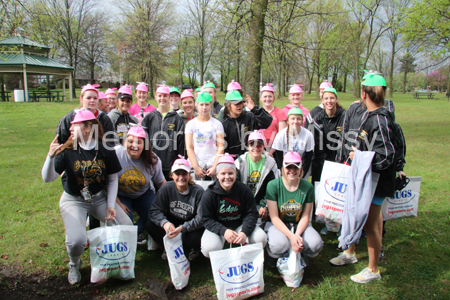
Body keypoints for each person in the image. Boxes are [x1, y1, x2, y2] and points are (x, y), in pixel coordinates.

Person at [41, 110, 133, 285]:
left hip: (99, 197)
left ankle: (116, 259)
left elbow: (113, 178)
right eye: (73, 125)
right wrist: (50, 155)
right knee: (77, 241)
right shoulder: (67, 150)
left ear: (88, 127)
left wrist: (111, 205)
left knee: (126, 224)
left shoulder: (105, 148)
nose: (71, 128)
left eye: (76, 125)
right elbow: (48, 178)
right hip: (74, 200)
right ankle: (74, 263)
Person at [330, 74, 396, 284]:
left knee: (369, 224)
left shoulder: (380, 119)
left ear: (364, 93)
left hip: (376, 183)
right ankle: (350, 252)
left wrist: (359, 157)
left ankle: (373, 269)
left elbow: (387, 155)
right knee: (358, 217)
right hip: (365, 179)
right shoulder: (369, 114)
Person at [200, 154, 267, 258]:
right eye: (223, 173)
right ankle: (221, 258)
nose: (227, 177)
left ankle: (248, 255)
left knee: (260, 238)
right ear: (217, 175)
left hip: (239, 226)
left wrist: (245, 231)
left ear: (235, 174)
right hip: (220, 228)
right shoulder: (209, 193)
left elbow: (251, 213)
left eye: (231, 173)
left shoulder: (244, 190)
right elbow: (206, 219)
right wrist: (224, 231)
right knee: (209, 248)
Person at [265, 152, 323, 263]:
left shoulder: (308, 187)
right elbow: (274, 217)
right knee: (279, 245)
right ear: (283, 167)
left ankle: (301, 255)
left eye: (296, 166)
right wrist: (292, 237)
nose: (292, 170)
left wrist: (296, 236)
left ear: (301, 168)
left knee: (315, 244)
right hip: (278, 224)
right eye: (289, 167)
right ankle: (275, 256)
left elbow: (306, 216)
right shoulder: (273, 185)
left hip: (299, 224)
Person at [146, 156, 205, 260]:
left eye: (184, 174)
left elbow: (201, 219)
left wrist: (182, 228)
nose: (181, 177)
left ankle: (193, 248)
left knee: (194, 238)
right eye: (177, 174)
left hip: (190, 224)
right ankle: (167, 245)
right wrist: (165, 223)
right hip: (173, 220)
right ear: (172, 175)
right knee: (150, 225)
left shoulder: (198, 192)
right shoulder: (166, 188)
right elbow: (154, 210)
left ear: (189, 175)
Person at [115, 126, 166, 244]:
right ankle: (128, 236)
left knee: (155, 214)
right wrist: (118, 203)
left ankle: (136, 232)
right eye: (130, 141)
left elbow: (160, 182)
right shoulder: (116, 154)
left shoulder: (153, 160)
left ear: (145, 145)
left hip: (143, 193)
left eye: (139, 142)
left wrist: (170, 199)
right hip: (121, 194)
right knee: (124, 219)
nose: (134, 145)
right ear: (124, 142)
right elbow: (108, 184)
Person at [307, 87, 346, 235]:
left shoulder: (344, 115)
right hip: (321, 161)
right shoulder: (318, 118)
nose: (329, 101)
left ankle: (340, 223)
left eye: (332, 98)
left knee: (339, 194)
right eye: (326, 99)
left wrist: (339, 161)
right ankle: (326, 223)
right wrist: (324, 165)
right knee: (323, 193)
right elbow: (316, 143)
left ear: (336, 99)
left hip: (340, 160)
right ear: (322, 101)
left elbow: (346, 139)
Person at [141, 85, 185, 181]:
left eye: (165, 96)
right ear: (155, 97)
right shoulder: (149, 118)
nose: (162, 98)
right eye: (160, 96)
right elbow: (144, 141)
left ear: (169, 98)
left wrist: (179, 162)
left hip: (170, 165)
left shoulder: (177, 119)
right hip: (152, 164)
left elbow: (181, 143)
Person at [235, 131, 280, 223]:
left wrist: (264, 206)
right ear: (248, 147)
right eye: (252, 145)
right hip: (243, 201)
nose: (256, 148)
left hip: (261, 201)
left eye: (259, 145)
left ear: (264, 147)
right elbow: (235, 187)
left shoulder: (271, 164)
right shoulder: (239, 162)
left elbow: (272, 188)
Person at [221, 90, 272, 158]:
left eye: (240, 103)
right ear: (228, 106)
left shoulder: (249, 117)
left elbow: (267, 121)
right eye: (236, 104)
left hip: (252, 157)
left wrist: (255, 109)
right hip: (232, 160)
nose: (239, 106)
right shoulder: (223, 124)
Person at [185, 91, 225, 179]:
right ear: (197, 105)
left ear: (211, 105)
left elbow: (220, 147)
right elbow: (189, 147)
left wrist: (215, 167)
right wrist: (196, 167)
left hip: (212, 164)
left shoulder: (217, 124)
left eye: (207, 104)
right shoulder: (191, 124)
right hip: (196, 164)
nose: (204, 107)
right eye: (201, 104)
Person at [270, 106, 314, 178]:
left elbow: (308, 158)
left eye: (298, 119)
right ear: (287, 121)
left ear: (302, 120)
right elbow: (279, 158)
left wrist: (301, 176)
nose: (295, 121)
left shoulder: (308, 135)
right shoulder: (281, 135)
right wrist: (283, 175)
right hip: (285, 168)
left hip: (301, 168)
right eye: (293, 119)